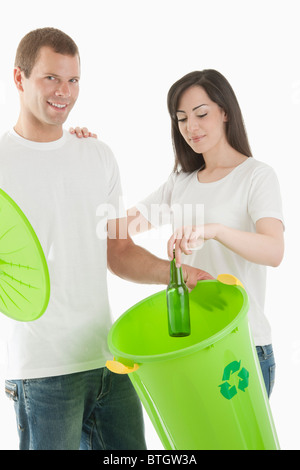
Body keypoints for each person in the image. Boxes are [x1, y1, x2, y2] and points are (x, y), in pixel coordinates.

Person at [1, 29, 211, 451]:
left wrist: (178, 273)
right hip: (43, 370)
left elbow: (117, 250)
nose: (65, 92)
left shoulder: (97, 156)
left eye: (74, 80)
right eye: (51, 79)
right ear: (19, 79)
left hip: (109, 362)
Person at [126, 70, 284, 398]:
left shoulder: (256, 176)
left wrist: (216, 231)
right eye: (181, 118)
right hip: (191, 347)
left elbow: (274, 251)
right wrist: (81, 156)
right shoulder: (180, 183)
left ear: (225, 112)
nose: (191, 127)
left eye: (201, 114)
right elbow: (118, 227)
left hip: (242, 345)